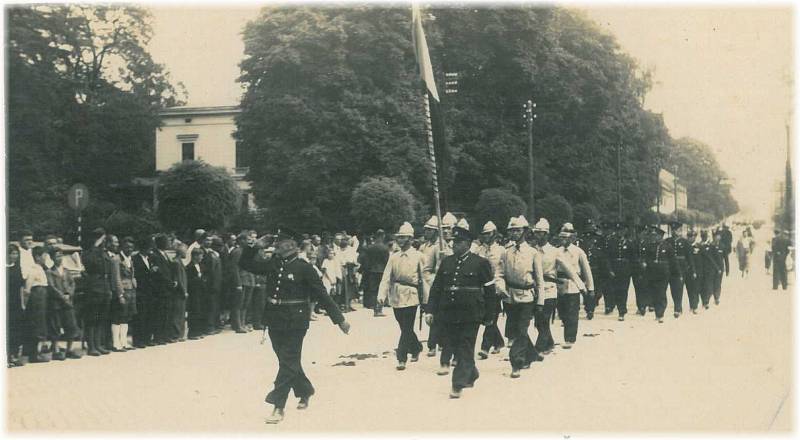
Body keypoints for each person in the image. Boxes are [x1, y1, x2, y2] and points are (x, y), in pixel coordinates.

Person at [238, 229, 351, 425]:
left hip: (295, 322)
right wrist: (256, 246)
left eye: (281, 242)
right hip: (274, 319)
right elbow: (245, 264)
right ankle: (305, 390)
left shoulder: (305, 268)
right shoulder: (273, 264)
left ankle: (278, 405)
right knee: (286, 360)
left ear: (292, 246)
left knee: (288, 360)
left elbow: (322, 294)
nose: (277, 245)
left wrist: (339, 319)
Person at [424, 220, 495, 399]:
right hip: (449, 312)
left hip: (471, 313)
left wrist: (490, 314)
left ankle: (458, 384)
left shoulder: (480, 263)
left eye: (458, 242)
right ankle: (471, 372)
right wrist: (430, 310)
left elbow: (489, 291)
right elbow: (437, 288)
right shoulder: (446, 262)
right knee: (454, 344)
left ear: (468, 244)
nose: (454, 245)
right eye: (453, 242)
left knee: (465, 346)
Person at [496, 215, 544, 377]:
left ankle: (517, 362)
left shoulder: (532, 253)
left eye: (517, 231)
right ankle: (531, 354)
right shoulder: (506, 252)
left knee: (522, 329)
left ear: (525, 232)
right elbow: (500, 273)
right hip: (510, 296)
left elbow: (539, 279)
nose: (514, 234)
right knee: (514, 329)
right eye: (512, 231)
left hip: (527, 296)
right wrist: (500, 288)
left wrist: (540, 301)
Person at [377, 222, 426, 371]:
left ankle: (401, 357)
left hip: (411, 294)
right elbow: (386, 276)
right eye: (399, 237)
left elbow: (424, 278)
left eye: (404, 238)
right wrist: (381, 295)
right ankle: (416, 347)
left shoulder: (419, 256)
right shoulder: (394, 257)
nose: (400, 240)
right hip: (396, 294)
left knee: (406, 327)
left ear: (411, 240)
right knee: (403, 325)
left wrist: (426, 299)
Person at [531, 218, 584, 353]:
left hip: (550, 289)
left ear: (547, 234)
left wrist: (582, 287)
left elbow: (569, 270)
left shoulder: (554, 252)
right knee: (538, 321)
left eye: (541, 233)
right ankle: (549, 343)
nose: (538, 235)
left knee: (544, 317)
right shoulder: (531, 250)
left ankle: (539, 348)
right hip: (535, 289)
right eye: (536, 233)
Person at [471, 221, 504, 359]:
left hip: (495, 287)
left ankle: (485, 347)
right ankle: (499, 342)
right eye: (484, 234)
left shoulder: (502, 250)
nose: (486, 236)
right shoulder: (479, 250)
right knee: (483, 316)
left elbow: (503, 270)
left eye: (489, 234)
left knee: (492, 317)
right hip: (481, 288)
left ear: (495, 234)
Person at [557, 223, 592, 347]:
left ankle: (570, 338)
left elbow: (586, 270)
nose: (563, 240)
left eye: (566, 238)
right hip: (559, 284)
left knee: (572, 312)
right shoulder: (556, 251)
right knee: (562, 312)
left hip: (573, 284)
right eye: (561, 238)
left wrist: (590, 287)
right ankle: (566, 326)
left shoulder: (578, 251)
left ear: (572, 238)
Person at [45, 248, 82, 359]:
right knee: (55, 326)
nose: (59, 258)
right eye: (57, 256)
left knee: (71, 325)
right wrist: (62, 296)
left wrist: (69, 294)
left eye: (61, 256)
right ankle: (56, 350)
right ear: (52, 258)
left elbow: (72, 284)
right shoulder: (49, 272)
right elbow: (51, 287)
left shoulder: (66, 271)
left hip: (68, 303)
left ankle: (69, 349)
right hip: (56, 303)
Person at [419, 215, 444, 357]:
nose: (426, 232)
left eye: (429, 230)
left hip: (434, 284)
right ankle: (437, 342)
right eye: (426, 230)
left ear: (435, 232)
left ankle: (433, 344)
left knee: (435, 315)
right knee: (429, 314)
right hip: (424, 283)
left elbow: (437, 268)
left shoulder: (439, 247)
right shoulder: (424, 246)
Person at [642, 226, 677, 323]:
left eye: (656, 236)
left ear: (661, 236)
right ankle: (657, 312)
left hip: (663, 273)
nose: (655, 237)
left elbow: (672, 261)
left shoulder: (667, 246)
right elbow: (647, 258)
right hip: (652, 273)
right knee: (654, 293)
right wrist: (646, 263)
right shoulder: (650, 246)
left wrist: (675, 273)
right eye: (654, 236)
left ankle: (660, 313)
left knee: (661, 292)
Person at [23, 246, 51, 362]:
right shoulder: (33, 269)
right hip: (36, 300)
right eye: (44, 256)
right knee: (35, 326)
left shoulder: (41, 268)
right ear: (37, 257)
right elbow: (28, 288)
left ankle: (36, 353)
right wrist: (25, 303)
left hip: (41, 299)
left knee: (40, 325)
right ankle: (33, 355)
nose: (46, 258)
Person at [150, 234, 178, 344]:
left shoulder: (166, 255)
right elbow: (160, 273)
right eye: (167, 241)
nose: (169, 243)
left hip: (168, 288)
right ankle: (159, 336)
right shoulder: (155, 256)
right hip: (161, 288)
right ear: (161, 243)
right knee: (160, 313)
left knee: (167, 312)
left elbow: (171, 269)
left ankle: (166, 335)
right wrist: (170, 282)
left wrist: (174, 280)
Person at [110, 237, 137, 351]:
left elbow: (131, 275)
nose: (129, 249)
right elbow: (116, 278)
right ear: (122, 247)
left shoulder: (129, 259)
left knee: (126, 317)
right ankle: (116, 343)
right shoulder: (116, 259)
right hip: (122, 291)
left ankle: (124, 342)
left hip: (131, 290)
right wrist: (120, 294)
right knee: (118, 317)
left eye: (131, 247)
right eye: (127, 247)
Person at [605, 222, 634, 321]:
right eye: (618, 231)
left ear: (625, 231)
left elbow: (633, 258)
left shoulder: (629, 243)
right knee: (616, 290)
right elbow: (607, 258)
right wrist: (609, 270)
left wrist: (631, 270)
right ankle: (619, 307)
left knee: (624, 290)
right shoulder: (611, 242)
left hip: (625, 270)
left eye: (622, 231)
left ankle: (622, 311)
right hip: (614, 269)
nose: (620, 233)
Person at [358, 229, 390, 317]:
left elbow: (366, 261)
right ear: (383, 236)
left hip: (372, 271)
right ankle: (379, 309)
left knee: (373, 290)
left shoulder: (370, 248)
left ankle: (375, 309)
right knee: (382, 290)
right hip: (382, 271)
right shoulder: (385, 248)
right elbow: (387, 261)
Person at [132, 236, 155, 348]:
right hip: (141, 290)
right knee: (140, 315)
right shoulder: (135, 259)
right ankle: (138, 340)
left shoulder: (150, 258)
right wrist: (150, 272)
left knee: (149, 314)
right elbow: (138, 275)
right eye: (149, 247)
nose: (150, 250)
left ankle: (147, 338)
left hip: (150, 291)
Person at [667, 221, 694, 319]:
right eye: (673, 230)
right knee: (673, 289)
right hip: (671, 268)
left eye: (677, 230)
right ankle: (677, 306)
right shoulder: (668, 241)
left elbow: (689, 256)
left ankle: (677, 308)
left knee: (679, 287)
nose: (675, 232)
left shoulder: (685, 242)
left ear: (680, 230)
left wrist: (690, 267)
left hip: (682, 268)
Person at [7, 245, 26, 366]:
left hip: (16, 302)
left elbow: (21, 287)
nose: (14, 256)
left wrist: (23, 303)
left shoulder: (17, 268)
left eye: (16, 253)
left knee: (15, 329)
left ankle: (13, 356)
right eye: (12, 253)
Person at [186, 247, 208, 339]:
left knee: (200, 311)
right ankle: (192, 333)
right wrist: (198, 278)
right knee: (194, 312)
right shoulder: (189, 267)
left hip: (201, 292)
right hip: (193, 293)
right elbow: (189, 281)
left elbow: (205, 276)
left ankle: (199, 331)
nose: (202, 258)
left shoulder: (201, 266)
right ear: (195, 256)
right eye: (200, 255)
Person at [203, 236, 224, 334]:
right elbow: (210, 271)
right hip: (212, 284)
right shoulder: (210, 255)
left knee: (215, 305)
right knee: (211, 306)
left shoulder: (215, 254)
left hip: (217, 283)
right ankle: (209, 326)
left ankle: (214, 325)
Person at [171, 242, 189, 341]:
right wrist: (184, 291)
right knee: (177, 313)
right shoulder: (176, 262)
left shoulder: (179, 262)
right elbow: (178, 279)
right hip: (179, 292)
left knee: (181, 313)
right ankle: (176, 334)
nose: (186, 253)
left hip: (182, 291)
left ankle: (180, 334)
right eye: (185, 251)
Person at [685, 229, 704, 314]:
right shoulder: (685, 246)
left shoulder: (698, 246)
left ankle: (695, 305)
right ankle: (691, 305)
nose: (691, 238)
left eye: (693, 236)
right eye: (689, 236)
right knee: (689, 289)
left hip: (698, 270)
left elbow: (703, 259)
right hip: (688, 271)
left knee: (696, 288)